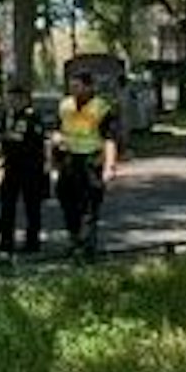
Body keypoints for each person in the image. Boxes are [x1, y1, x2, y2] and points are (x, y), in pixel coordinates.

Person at [52, 71, 120, 257]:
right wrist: (56, 145)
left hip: (91, 159)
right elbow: (57, 129)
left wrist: (109, 166)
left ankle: (88, 245)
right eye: (71, 86)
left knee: (89, 204)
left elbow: (110, 139)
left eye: (77, 86)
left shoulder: (102, 108)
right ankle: (74, 239)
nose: (73, 90)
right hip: (69, 159)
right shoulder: (65, 105)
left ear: (89, 87)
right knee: (67, 202)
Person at [0, 80, 49, 254]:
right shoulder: (7, 115)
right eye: (10, 98)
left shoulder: (32, 116)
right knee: (6, 204)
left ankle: (32, 242)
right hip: (11, 166)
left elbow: (33, 140)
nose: (12, 102)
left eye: (16, 99)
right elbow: (0, 135)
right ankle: (6, 241)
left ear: (25, 99)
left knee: (31, 206)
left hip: (31, 167)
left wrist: (10, 138)